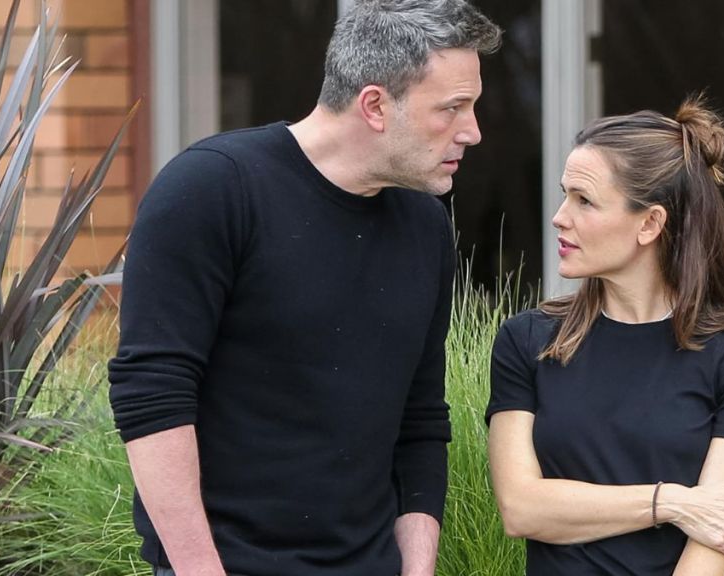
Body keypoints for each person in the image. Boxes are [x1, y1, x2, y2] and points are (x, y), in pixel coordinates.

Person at [107, 2, 501, 575]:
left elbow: (420, 419)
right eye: (452, 108)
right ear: (375, 105)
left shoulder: (424, 224)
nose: (473, 131)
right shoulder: (213, 189)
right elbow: (153, 393)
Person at [486, 97, 724, 575]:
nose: (560, 216)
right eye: (565, 195)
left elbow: (719, 536)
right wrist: (671, 502)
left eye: (584, 200)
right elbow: (521, 508)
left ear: (650, 223)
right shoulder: (527, 341)